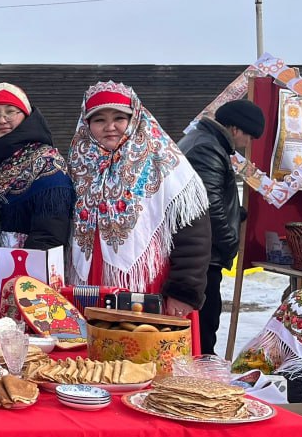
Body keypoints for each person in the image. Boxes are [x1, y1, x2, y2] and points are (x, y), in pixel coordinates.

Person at [67, 82, 211, 318]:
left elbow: (194, 234)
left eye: (119, 118)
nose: (110, 127)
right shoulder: (78, 165)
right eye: (99, 119)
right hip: (88, 286)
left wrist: (184, 291)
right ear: (87, 124)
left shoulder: (165, 162)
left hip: (149, 287)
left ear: (135, 118)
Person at [180, 98, 264, 354]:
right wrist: (230, 243)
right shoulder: (208, 147)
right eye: (249, 137)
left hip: (196, 252)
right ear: (236, 129)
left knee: (201, 324)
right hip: (204, 255)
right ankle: (202, 384)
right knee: (204, 328)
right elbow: (208, 205)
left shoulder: (200, 139)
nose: (247, 144)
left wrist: (235, 212)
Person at [0, 82, 75, 250]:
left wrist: (25, 272)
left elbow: (50, 234)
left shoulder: (46, 163)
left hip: (26, 267)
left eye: (10, 111)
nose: (2, 120)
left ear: (25, 115)